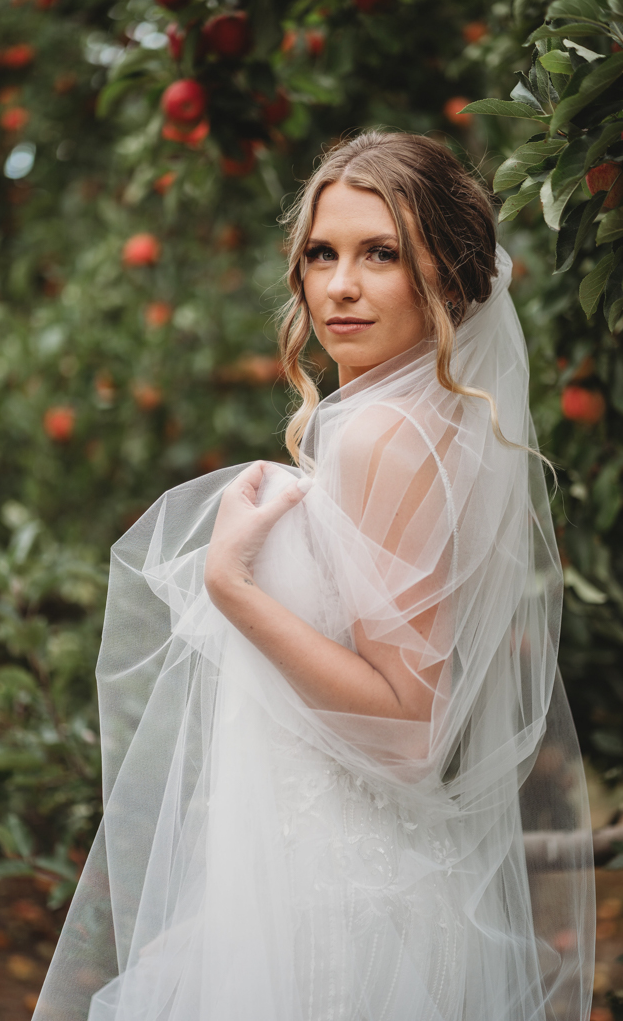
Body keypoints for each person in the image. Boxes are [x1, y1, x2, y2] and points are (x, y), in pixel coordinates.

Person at [33, 132, 594, 1021]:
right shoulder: (428, 423)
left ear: (446, 274)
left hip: (330, 911)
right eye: (321, 254)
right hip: (344, 880)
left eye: (382, 254)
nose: (339, 285)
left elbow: (411, 727)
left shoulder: (384, 439)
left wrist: (234, 588)